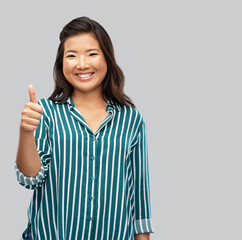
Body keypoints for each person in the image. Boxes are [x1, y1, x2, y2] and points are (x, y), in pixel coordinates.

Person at [15, 16, 154, 240]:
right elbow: (30, 178)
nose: (82, 64)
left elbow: (139, 196)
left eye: (92, 54)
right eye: (72, 56)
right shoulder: (45, 113)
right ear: (62, 63)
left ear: (107, 59)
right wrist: (26, 131)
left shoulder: (131, 120)